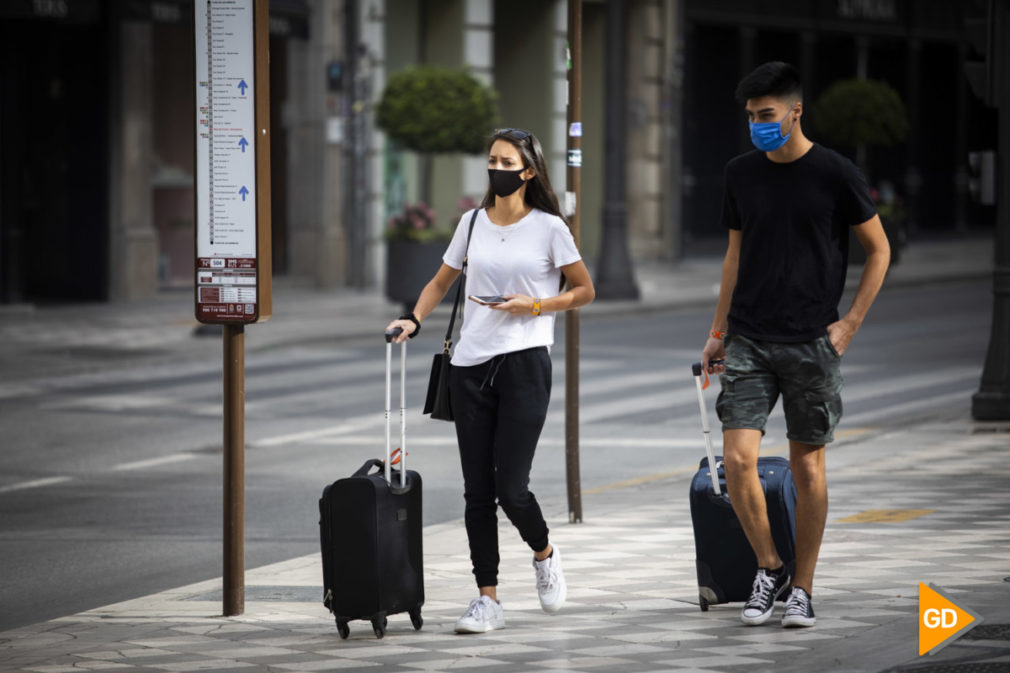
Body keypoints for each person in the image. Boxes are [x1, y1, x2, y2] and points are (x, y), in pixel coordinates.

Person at [701, 62, 890, 628]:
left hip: (813, 340)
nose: (758, 125)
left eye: (767, 115)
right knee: (736, 460)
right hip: (750, 339)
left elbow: (878, 249)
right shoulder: (740, 173)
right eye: (752, 117)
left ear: (795, 111)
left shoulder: (836, 173)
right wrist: (717, 333)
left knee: (809, 470)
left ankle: (803, 588)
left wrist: (851, 322)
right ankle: (769, 567)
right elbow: (734, 256)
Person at [386, 127, 595, 634]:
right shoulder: (472, 222)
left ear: (527, 171)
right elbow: (442, 281)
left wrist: (537, 304)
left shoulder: (550, 228)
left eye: (506, 161)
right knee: (476, 491)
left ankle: (544, 553)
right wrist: (413, 318)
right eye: (491, 160)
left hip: (525, 364)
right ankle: (488, 598)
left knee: (511, 488)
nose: (495, 168)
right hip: (470, 366)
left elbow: (585, 290)